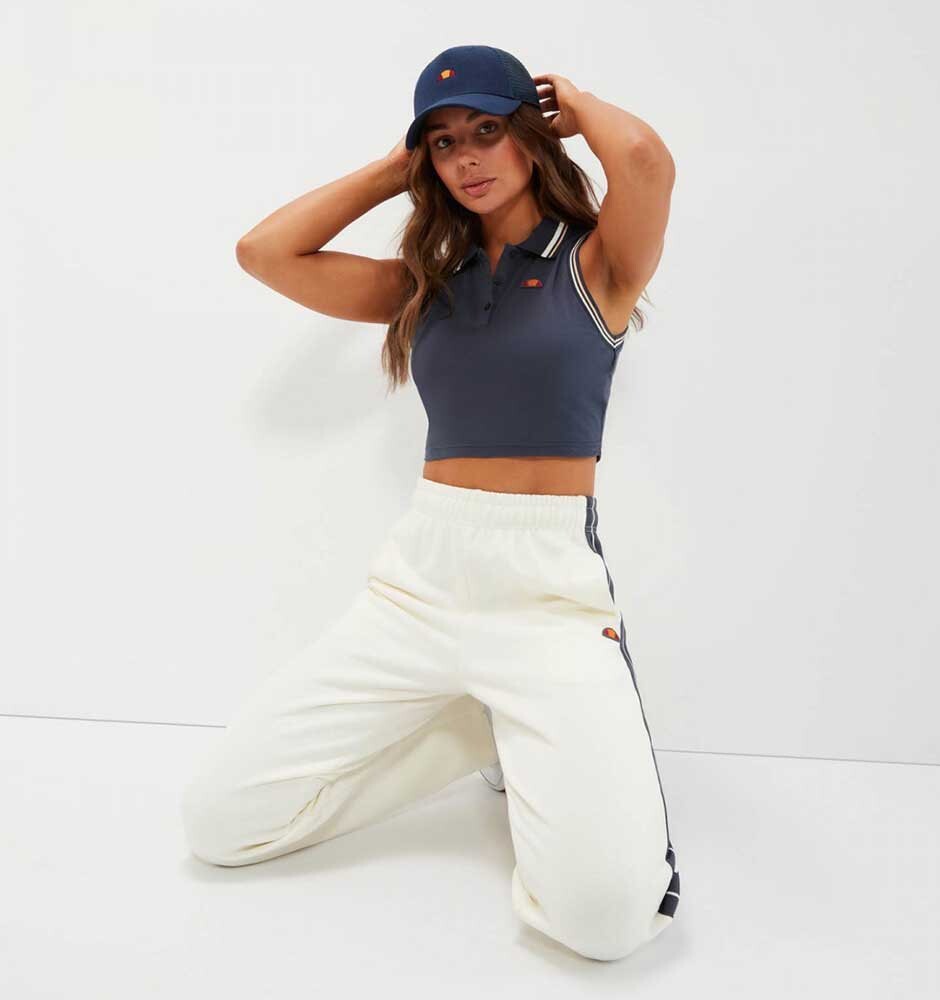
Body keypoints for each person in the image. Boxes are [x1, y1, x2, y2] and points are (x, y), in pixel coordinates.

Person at [181, 44, 678, 963]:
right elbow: (264, 253)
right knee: (219, 821)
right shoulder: (427, 288)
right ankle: (476, 724)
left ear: (530, 136)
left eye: (488, 130)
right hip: (420, 585)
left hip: (547, 596)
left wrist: (576, 103)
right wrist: (393, 169)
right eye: (444, 143)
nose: (467, 157)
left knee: (605, 923)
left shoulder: (596, 265)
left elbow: (644, 159)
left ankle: (512, 724)